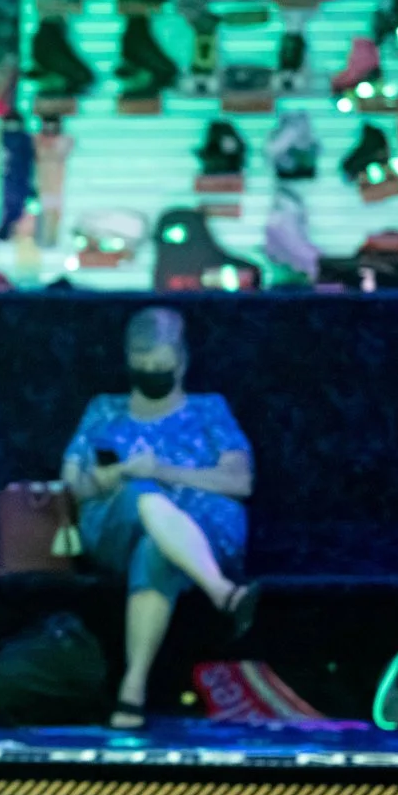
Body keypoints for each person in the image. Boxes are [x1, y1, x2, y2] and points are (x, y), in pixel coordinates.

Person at [60, 307, 258, 730]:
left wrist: (164, 471)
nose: (151, 372)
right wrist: (114, 476)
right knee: (138, 494)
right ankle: (224, 594)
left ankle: (131, 692)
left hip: (205, 536)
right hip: (115, 531)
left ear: (182, 361)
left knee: (156, 549)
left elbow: (240, 481)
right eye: (142, 364)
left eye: (161, 364)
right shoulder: (105, 411)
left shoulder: (209, 411)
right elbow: (71, 486)